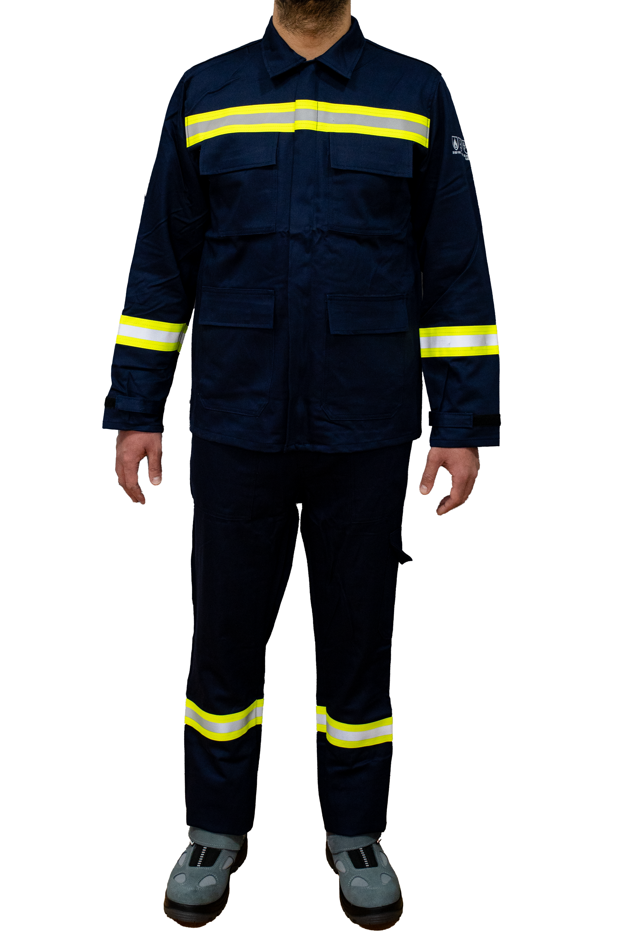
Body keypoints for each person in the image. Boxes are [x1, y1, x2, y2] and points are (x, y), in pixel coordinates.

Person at [103, 0, 500, 927]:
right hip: (237, 420)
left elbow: (452, 263)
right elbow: (163, 258)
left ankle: (355, 832)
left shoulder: (413, 92)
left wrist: (461, 419)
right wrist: (136, 405)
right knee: (224, 634)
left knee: (358, 640)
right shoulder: (206, 92)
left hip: (365, 425)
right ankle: (214, 827)